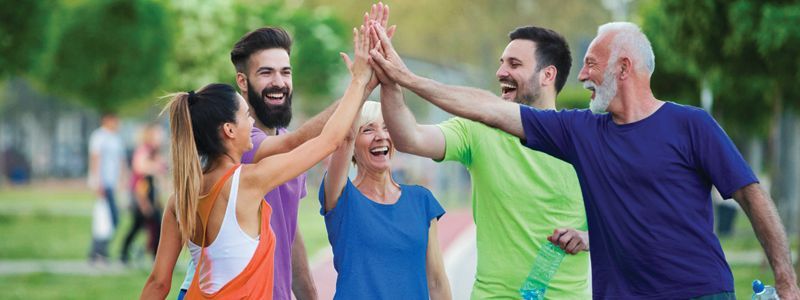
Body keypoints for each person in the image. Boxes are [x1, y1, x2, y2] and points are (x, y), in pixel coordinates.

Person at [367, 21, 800, 299]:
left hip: (698, 291)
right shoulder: (580, 132)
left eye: (592, 63)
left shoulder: (692, 126)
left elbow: (751, 195)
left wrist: (786, 280)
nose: (584, 75)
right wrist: (403, 78)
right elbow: (487, 107)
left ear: (624, 67)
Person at [140, 23, 372, 298]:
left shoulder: (180, 197)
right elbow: (328, 140)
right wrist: (360, 83)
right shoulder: (250, 180)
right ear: (229, 130)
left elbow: (157, 283)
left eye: (285, 71)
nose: (250, 121)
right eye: (244, 117)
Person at [376, 25, 589, 298]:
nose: (501, 72)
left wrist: (588, 238)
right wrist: (391, 80)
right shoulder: (477, 130)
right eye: (502, 63)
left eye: (514, 64)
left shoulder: (581, 138)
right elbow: (409, 138)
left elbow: (628, 219)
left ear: (547, 74)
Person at [319, 101, 451, 299]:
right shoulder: (342, 198)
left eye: (387, 127)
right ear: (353, 143)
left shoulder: (422, 201)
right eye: (368, 129)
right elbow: (344, 138)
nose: (380, 136)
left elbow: (437, 281)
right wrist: (363, 82)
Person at [121, 123, 166, 264]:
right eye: (158, 134)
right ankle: (124, 253)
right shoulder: (144, 150)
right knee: (139, 225)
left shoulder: (154, 152)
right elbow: (139, 167)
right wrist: (156, 167)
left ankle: (155, 256)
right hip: (141, 193)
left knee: (157, 225)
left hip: (150, 193)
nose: (161, 137)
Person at [87, 112, 125, 263]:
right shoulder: (99, 137)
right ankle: (98, 252)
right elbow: (95, 159)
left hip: (113, 184)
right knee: (105, 219)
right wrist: (97, 182)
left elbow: (121, 161)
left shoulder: (116, 139)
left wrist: (123, 179)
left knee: (113, 219)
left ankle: (97, 251)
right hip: (103, 183)